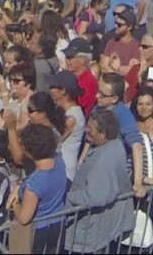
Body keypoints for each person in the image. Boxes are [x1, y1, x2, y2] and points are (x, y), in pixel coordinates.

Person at [63, 109, 136, 253]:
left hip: (90, 233)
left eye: (90, 128)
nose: (86, 130)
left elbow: (96, 197)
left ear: (103, 135)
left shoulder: (103, 159)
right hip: (100, 229)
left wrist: (68, 198)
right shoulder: (115, 146)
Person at [9, 123, 67, 254]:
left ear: (28, 150)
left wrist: (15, 204)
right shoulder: (59, 162)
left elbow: (24, 218)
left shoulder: (34, 183)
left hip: (39, 231)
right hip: (59, 223)